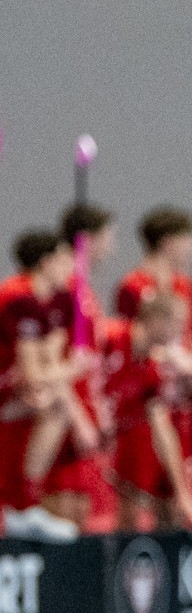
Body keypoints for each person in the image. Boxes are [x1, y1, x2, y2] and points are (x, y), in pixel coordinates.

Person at [0, 230, 91, 541]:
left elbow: (48, 364)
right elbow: (34, 373)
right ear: (46, 262)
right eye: (65, 260)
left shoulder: (60, 300)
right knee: (52, 401)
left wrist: (80, 418)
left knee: (54, 403)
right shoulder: (17, 297)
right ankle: (22, 506)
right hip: (9, 385)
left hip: (15, 389)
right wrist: (73, 368)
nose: (72, 267)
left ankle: (25, 504)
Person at [107, 292, 192, 532]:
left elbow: (161, 426)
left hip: (109, 437)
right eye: (176, 323)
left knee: (160, 508)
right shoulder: (111, 337)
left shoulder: (153, 370)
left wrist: (184, 494)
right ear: (155, 320)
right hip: (84, 435)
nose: (182, 332)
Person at [117, 204, 192, 451]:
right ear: (168, 242)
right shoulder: (132, 286)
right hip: (148, 401)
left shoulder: (185, 286)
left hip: (182, 400)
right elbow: (130, 347)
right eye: (188, 240)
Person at [47, 201, 119, 528]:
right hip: (63, 420)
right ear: (86, 239)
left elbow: (89, 363)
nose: (111, 247)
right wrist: (78, 419)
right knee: (61, 521)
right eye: (108, 238)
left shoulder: (83, 288)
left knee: (80, 517)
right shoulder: (64, 286)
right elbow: (57, 363)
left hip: (83, 414)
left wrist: (98, 413)